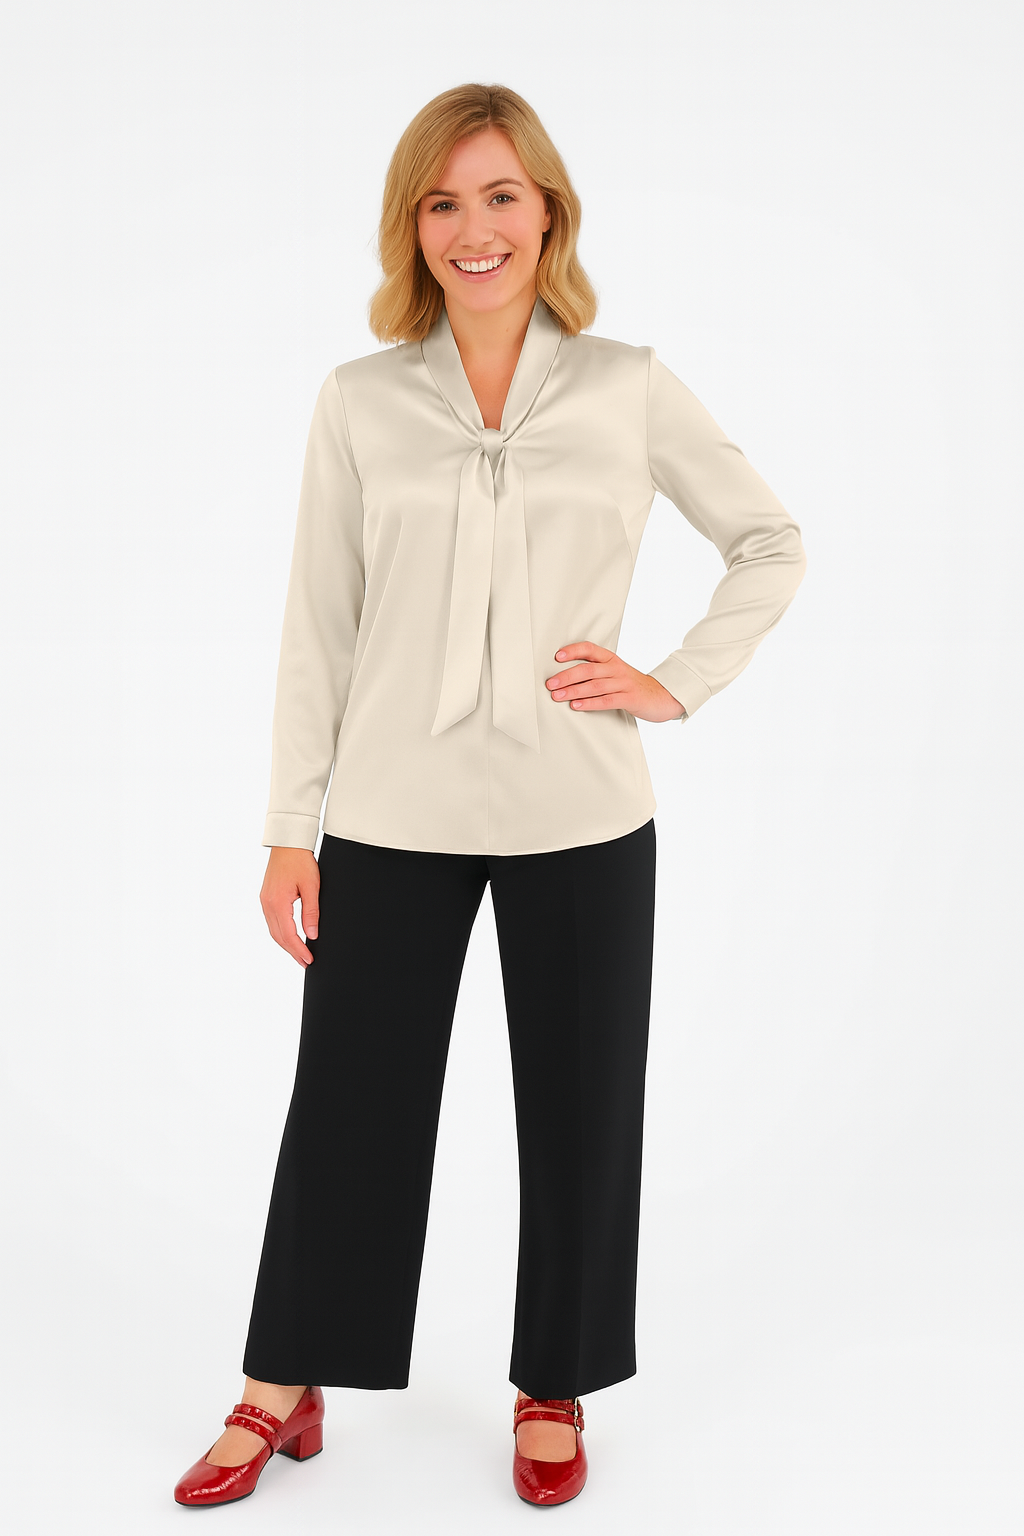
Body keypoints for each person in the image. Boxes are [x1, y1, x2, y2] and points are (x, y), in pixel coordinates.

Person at [173, 81, 807, 1511]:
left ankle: (554, 1380)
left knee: (582, 1105)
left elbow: (769, 542)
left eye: (502, 196)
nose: (476, 228)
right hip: (389, 814)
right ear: (414, 227)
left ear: (549, 212)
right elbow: (319, 622)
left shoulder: (629, 385)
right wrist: (288, 825)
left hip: (581, 810)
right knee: (348, 1106)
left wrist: (674, 680)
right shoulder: (360, 401)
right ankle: (285, 1380)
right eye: (444, 202)